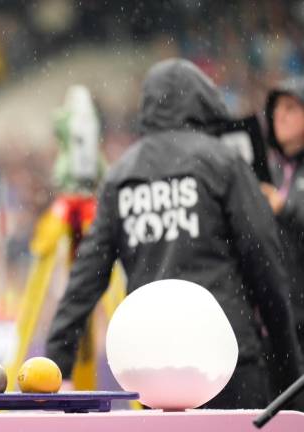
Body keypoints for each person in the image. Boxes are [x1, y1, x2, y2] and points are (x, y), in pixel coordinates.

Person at [44, 58, 303, 409]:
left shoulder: (121, 176)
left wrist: (58, 364)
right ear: (204, 103)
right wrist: (289, 369)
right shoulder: (223, 163)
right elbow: (264, 262)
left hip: (152, 370)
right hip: (225, 360)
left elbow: (85, 279)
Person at [260, 78, 304, 372]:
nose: (281, 115)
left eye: (290, 107)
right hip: (272, 317)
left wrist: (284, 208)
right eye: (276, 109)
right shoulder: (266, 170)